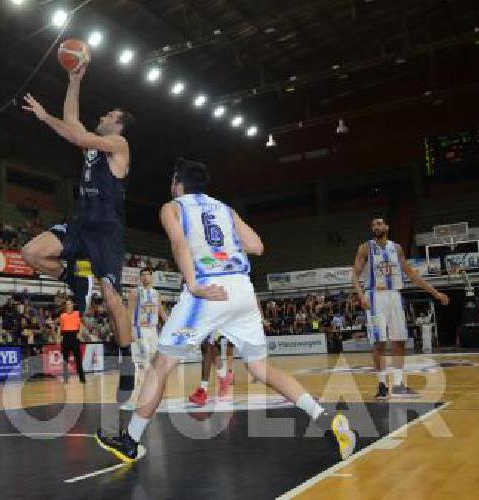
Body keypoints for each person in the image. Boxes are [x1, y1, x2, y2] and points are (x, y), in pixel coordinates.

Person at [95, 159, 356, 462]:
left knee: (160, 365)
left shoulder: (173, 207)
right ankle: (327, 421)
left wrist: (193, 283)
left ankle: (130, 440)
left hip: (209, 289)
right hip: (243, 289)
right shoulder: (225, 209)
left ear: (178, 183)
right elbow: (257, 246)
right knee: (261, 370)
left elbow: (180, 244)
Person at [20, 62, 138, 402]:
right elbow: (72, 124)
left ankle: (127, 366)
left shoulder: (117, 143)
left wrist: (46, 120)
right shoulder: (95, 144)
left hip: (105, 230)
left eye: (108, 113)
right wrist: (74, 82)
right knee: (31, 253)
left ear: (117, 123)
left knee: (113, 299)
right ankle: (72, 275)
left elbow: (73, 132)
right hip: (81, 223)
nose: (102, 115)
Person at [351, 216, 451, 401]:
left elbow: (412, 274)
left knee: (399, 341)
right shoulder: (365, 248)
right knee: (379, 343)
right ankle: (382, 385)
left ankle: (398, 384)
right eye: (373, 225)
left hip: (394, 295)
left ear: (387, 227)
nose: (376, 226)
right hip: (374, 296)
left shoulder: (396, 248)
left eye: (379, 223)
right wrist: (361, 295)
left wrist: (435, 293)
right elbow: (355, 275)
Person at [123, 268, 169, 410]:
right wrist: (129, 332)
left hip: (153, 331)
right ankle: (135, 399)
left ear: (152, 277)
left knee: (154, 365)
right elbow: (129, 313)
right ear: (139, 278)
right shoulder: (134, 292)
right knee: (142, 366)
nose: (145, 277)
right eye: (142, 275)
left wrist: (172, 326)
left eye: (147, 275)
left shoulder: (156, 294)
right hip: (139, 330)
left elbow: (161, 313)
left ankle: (152, 397)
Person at [57, 299, 86, 383]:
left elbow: (81, 324)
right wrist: (59, 337)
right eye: (67, 304)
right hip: (65, 337)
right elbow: (60, 327)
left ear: (73, 305)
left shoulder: (77, 314)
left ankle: (82, 378)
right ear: (66, 306)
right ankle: (66, 378)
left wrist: (80, 334)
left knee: (78, 359)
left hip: (74, 337)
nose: (68, 305)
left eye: (70, 304)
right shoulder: (62, 316)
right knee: (65, 359)